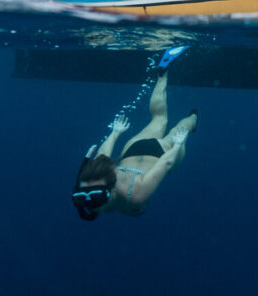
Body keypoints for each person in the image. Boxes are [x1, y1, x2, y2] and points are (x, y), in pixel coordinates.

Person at [72, 46, 198, 221]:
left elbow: (167, 163)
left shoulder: (135, 197)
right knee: (159, 119)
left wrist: (177, 144)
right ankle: (162, 74)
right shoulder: (89, 185)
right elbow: (102, 155)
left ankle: (193, 117)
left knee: (180, 128)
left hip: (160, 153)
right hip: (134, 148)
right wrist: (115, 133)